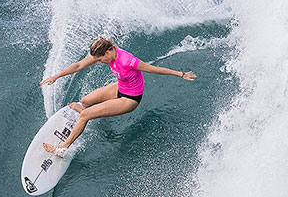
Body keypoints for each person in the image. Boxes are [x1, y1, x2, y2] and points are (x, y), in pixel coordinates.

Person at [39, 37, 195, 154]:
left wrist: (181, 74)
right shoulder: (106, 51)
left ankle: (62, 148)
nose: (99, 62)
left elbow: (153, 69)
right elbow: (79, 65)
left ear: (108, 52)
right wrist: (56, 76)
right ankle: (82, 120)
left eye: (100, 59)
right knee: (85, 101)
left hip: (130, 99)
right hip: (120, 87)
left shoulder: (127, 61)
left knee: (86, 114)